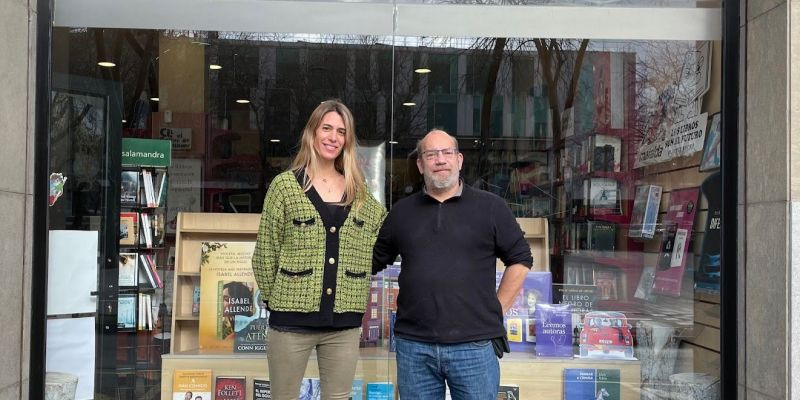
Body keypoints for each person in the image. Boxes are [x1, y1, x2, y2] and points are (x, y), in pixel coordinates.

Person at [372, 129, 533, 400]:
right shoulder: (401, 212)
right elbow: (373, 260)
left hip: (474, 347)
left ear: (459, 160)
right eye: (431, 154)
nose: (440, 160)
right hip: (414, 347)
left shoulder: (491, 207)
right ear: (420, 164)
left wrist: (496, 310)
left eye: (447, 153)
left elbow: (520, 259)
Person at [252, 100, 386, 400]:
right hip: (290, 323)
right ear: (312, 132)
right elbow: (265, 254)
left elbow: (382, 235)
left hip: (344, 324)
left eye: (341, 131)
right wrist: (281, 304)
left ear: (347, 140)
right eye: (326, 128)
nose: (333, 137)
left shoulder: (359, 191)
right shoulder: (285, 186)